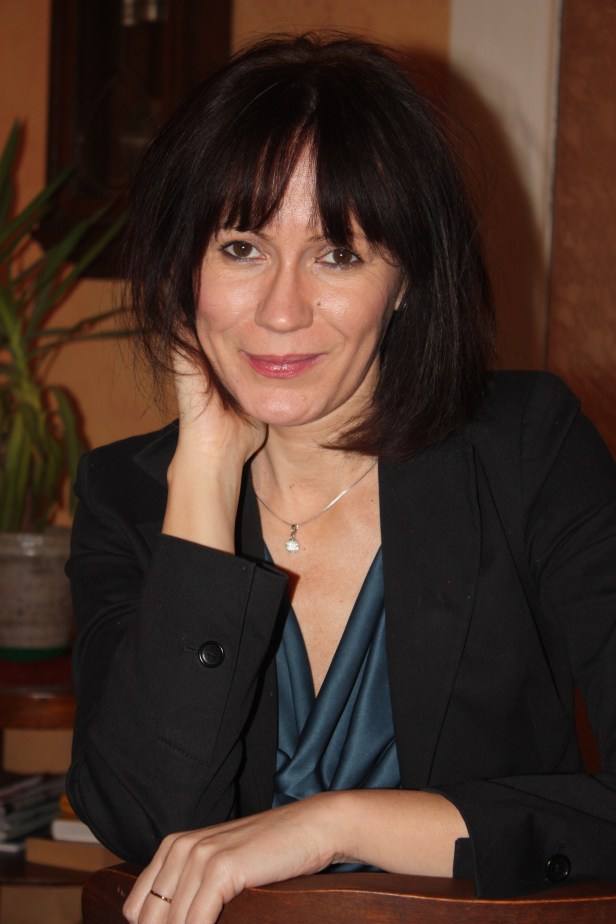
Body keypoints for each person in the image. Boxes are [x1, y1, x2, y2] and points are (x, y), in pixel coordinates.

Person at [66, 32, 616, 924]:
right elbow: (143, 819)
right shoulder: (128, 495)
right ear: (181, 270)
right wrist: (204, 473)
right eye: (241, 248)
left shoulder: (529, 452)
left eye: (339, 254)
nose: (282, 310)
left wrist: (332, 825)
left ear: (407, 281)